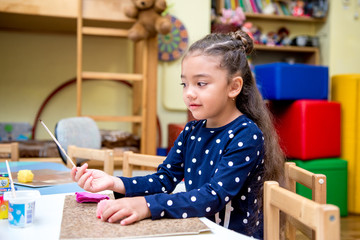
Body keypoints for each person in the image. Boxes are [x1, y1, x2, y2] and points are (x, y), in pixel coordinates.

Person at [71, 30, 285, 239]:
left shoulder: (246, 135)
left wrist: (146, 205)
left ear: (234, 86)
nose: (189, 92)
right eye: (185, 84)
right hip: (197, 226)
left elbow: (213, 196)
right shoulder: (192, 131)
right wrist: (113, 183)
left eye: (201, 83)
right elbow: (164, 179)